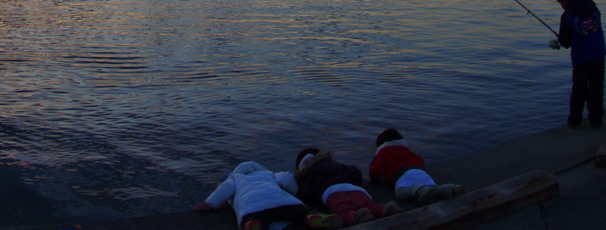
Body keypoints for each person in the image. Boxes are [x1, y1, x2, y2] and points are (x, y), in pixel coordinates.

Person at [195, 161, 343, 230]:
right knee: (298, 214)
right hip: (284, 201)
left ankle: (254, 224)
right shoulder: (269, 174)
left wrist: (209, 204)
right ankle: (310, 217)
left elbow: (224, 190)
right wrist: (293, 192)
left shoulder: (236, 178)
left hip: (254, 207)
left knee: (259, 218)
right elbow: (287, 179)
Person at [549, 0, 606, 129]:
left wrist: (559, 42)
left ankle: (575, 120)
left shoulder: (567, 16)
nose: (562, 6)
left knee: (579, 89)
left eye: (561, 3)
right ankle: (596, 120)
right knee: (596, 88)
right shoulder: (592, 6)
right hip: (599, 54)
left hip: (581, 58)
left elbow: (566, 42)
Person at [294, 148, 401, 225]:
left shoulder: (308, 175)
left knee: (343, 210)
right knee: (370, 205)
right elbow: (355, 173)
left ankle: (359, 218)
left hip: (333, 193)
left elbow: (304, 191)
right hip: (355, 190)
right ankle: (389, 209)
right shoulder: (336, 165)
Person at [369, 129, 466, 205]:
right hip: (420, 171)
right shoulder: (407, 151)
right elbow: (419, 159)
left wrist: (374, 180)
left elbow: (376, 170)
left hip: (402, 175)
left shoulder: (383, 153)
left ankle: (419, 190)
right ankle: (450, 189)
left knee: (401, 193)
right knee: (434, 188)